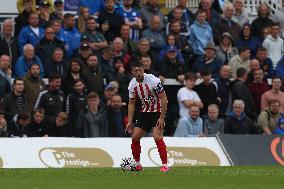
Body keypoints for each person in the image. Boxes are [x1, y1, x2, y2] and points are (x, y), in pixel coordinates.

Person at [126, 61, 169, 172]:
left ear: (143, 70)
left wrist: (162, 117)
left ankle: (165, 165)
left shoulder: (153, 80)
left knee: (157, 136)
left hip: (158, 111)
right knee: (135, 137)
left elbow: (164, 98)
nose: (139, 72)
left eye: (141, 70)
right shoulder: (132, 85)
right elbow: (131, 103)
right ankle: (137, 164)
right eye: (136, 70)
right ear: (132, 72)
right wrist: (129, 122)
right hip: (145, 112)